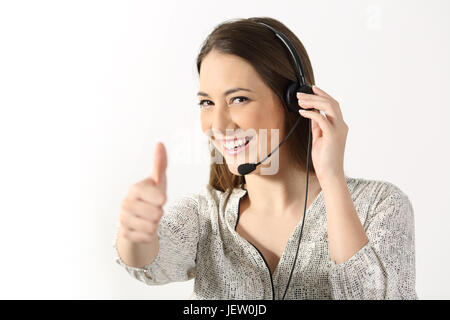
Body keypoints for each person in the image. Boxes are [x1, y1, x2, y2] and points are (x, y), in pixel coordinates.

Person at [113, 17, 417, 300]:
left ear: (295, 102)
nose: (217, 125)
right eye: (206, 102)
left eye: (239, 99)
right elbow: (150, 262)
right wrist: (134, 234)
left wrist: (333, 179)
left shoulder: (380, 204)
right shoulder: (204, 215)